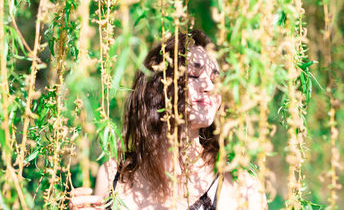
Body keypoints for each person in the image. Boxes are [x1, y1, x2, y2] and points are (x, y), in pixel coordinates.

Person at [69, 30, 267, 209]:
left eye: (215, 80)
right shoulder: (115, 175)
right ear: (159, 86)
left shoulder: (241, 188)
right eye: (194, 75)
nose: (209, 87)